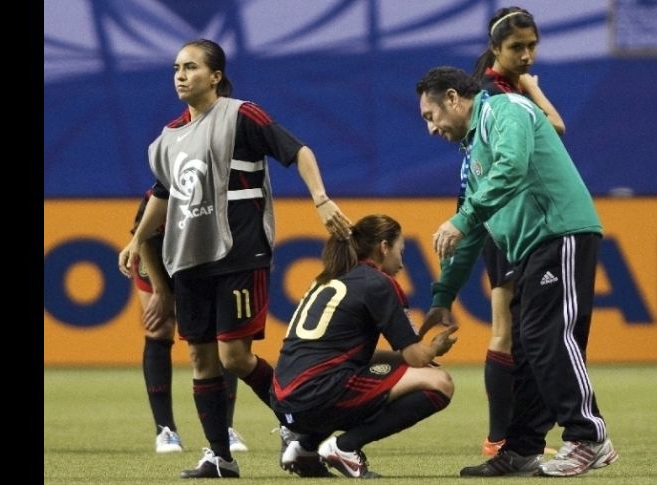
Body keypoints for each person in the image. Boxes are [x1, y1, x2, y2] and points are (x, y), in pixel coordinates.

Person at [118, 38, 352, 479]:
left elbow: (298, 151)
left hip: (239, 253)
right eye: (176, 68)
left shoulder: (242, 115)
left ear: (216, 75)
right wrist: (138, 240)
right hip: (189, 260)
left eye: (190, 67)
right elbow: (163, 193)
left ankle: (302, 425)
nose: (180, 75)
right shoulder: (168, 137)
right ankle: (220, 457)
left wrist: (321, 199)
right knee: (203, 361)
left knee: (236, 357)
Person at [416, 66, 618, 477]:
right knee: (526, 349)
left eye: (430, 116)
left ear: (453, 98)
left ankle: (589, 437)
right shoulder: (473, 152)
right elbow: (470, 231)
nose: (431, 129)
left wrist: (464, 217)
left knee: (548, 338)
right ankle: (523, 448)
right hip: (531, 248)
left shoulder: (506, 110)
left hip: (561, 233)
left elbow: (511, 167)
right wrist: (443, 296)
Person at [270, 214, 458, 478]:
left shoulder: (327, 278)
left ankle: (305, 447)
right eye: (399, 251)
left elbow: (353, 357)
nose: (402, 263)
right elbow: (416, 357)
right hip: (318, 394)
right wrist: (435, 347)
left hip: (283, 401)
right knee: (440, 382)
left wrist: (401, 359)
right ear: (383, 247)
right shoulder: (377, 283)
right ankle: (345, 447)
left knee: (367, 372)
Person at [467, 6, 566, 458]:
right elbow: (557, 127)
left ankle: (507, 438)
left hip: (505, 217)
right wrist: (534, 90)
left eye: (532, 47)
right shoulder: (500, 91)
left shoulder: (493, 88)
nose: (527, 55)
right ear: (496, 49)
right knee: (509, 331)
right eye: (517, 48)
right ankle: (500, 437)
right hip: (508, 219)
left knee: (513, 330)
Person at [130, 189, 248, 454]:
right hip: (156, 254)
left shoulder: (224, 191)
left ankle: (225, 428)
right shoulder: (167, 189)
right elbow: (143, 234)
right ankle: (165, 430)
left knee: (223, 333)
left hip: (204, 258)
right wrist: (161, 290)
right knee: (159, 326)